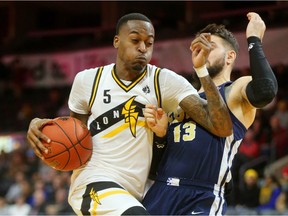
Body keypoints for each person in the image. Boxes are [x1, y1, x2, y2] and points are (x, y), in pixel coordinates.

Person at [26, 13, 232, 215]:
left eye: (149, 43)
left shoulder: (164, 81)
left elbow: (222, 126)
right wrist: (44, 127)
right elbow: (71, 137)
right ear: (117, 41)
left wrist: (202, 70)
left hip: (135, 195)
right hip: (92, 183)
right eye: (135, 40)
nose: (143, 48)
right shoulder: (88, 81)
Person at [142, 12, 278, 215]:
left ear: (230, 56)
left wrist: (254, 40)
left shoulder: (235, 90)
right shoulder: (182, 98)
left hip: (201, 197)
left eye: (210, 47)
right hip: (161, 191)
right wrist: (161, 137)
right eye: (199, 47)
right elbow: (157, 166)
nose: (203, 52)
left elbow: (266, 90)